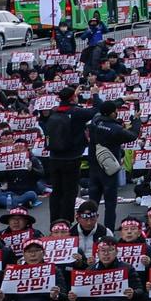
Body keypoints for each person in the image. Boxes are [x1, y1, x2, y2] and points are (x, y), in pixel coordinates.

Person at [42, 87, 97, 224]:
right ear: (73, 98)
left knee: (56, 192)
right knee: (69, 192)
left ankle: (54, 223)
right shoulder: (76, 112)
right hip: (71, 158)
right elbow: (96, 110)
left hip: (54, 157)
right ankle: (66, 222)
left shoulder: (54, 111)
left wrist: (73, 98)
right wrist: (95, 94)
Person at [87, 100, 138, 229]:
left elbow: (103, 107)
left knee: (92, 203)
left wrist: (123, 99)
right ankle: (108, 230)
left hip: (94, 167)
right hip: (109, 169)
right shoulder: (115, 129)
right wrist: (136, 121)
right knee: (110, 204)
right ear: (112, 113)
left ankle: (88, 227)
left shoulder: (95, 121)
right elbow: (132, 136)